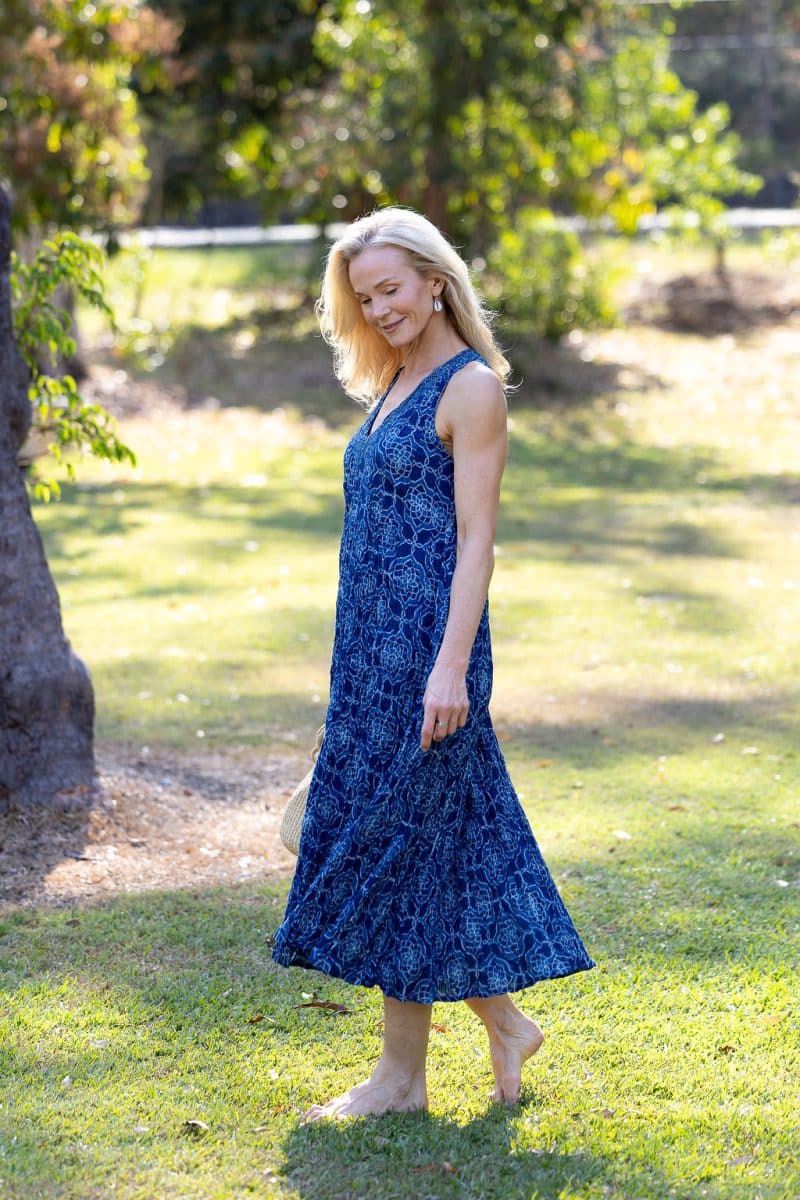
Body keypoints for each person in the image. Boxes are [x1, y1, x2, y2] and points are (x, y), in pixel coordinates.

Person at [271, 206, 594, 1122]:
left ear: (435, 280)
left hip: (429, 656)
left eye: (391, 290)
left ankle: (401, 1079)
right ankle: (499, 1023)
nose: (378, 309)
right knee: (397, 842)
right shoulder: (392, 382)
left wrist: (450, 668)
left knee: (389, 844)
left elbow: (478, 540)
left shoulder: (471, 388)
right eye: (363, 297)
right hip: (369, 654)